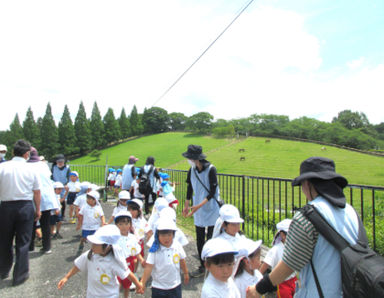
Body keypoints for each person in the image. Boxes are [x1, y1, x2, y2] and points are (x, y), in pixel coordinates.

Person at [246, 157, 359, 298]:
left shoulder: (307, 216)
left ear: (308, 184)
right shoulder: (351, 212)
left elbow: (289, 263)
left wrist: (258, 288)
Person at [58, 224, 143, 297]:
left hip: (110, 295)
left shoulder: (114, 261)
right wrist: (66, 277)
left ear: (107, 247)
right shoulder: (90, 255)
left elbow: (127, 273)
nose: (92, 246)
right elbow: (78, 265)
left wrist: (138, 285)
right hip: (92, 294)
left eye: (96, 244)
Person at [0, 139, 41, 286]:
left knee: (4, 240)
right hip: (24, 206)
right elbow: (37, 192)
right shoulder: (31, 169)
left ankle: (3, 270)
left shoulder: (3, 167)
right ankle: (20, 275)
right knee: (23, 242)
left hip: (5, 206)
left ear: (12, 152)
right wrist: (38, 209)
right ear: (27, 154)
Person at [181, 144, 220, 277]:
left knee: (210, 237)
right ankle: (203, 266)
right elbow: (189, 188)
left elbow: (213, 192)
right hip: (197, 208)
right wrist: (186, 205)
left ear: (196, 158)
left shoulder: (211, 169)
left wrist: (198, 205)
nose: (189, 160)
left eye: (190, 158)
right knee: (199, 238)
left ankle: (210, 264)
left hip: (210, 207)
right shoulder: (191, 170)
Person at [139, 217, 189, 297]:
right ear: (157, 235)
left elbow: (182, 260)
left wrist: (186, 273)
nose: (166, 238)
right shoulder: (155, 249)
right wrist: (143, 282)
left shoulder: (177, 245)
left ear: (173, 234)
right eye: (163, 235)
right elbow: (149, 267)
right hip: (159, 287)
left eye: (169, 235)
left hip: (175, 285)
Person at [28, 147, 60, 254]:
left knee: (31, 224)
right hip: (47, 198)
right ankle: (47, 247)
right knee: (45, 224)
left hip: (34, 197)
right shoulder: (43, 165)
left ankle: (30, 246)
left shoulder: (27, 166)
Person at [259, 219, 297, 298]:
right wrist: (258, 280)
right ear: (282, 235)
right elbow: (265, 265)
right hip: (282, 282)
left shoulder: (292, 246)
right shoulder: (276, 250)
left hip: (293, 280)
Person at [114, 210, 145, 297]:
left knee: (127, 286)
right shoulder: (114, 238)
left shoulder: (133, 238)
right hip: (118, 263)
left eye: (126, 224)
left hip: (129, 263)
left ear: (130, 225)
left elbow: (136, 252)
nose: (124, 226)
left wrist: (142, 260)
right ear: (116, 225)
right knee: (117, 284)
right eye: (121, 224)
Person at [76, 190, 105, 255]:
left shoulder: (98, 208)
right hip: (86, 226)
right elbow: (81, 215)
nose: (88, 200)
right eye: (87, 199)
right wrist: (79, 224)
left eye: (90, 199)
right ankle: (81, 244)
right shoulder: (85, 207)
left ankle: (93, 250)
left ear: (95, 200)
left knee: (96, 239)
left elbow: (102, 216)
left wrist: (103, 223)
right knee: (84, 237)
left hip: (95, 227)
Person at [51, 154, 70, 220]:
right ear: (56, 162)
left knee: (63, 201)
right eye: (59, 161)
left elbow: (68, 177)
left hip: (63, 186)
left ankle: (62, 215)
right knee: (55, 199)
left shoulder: (67, 168)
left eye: (62, 161)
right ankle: (55, 214)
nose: (60, 163)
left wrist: (66, 184)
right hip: (55, 185)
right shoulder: (54, 167)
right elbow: (51, 176)